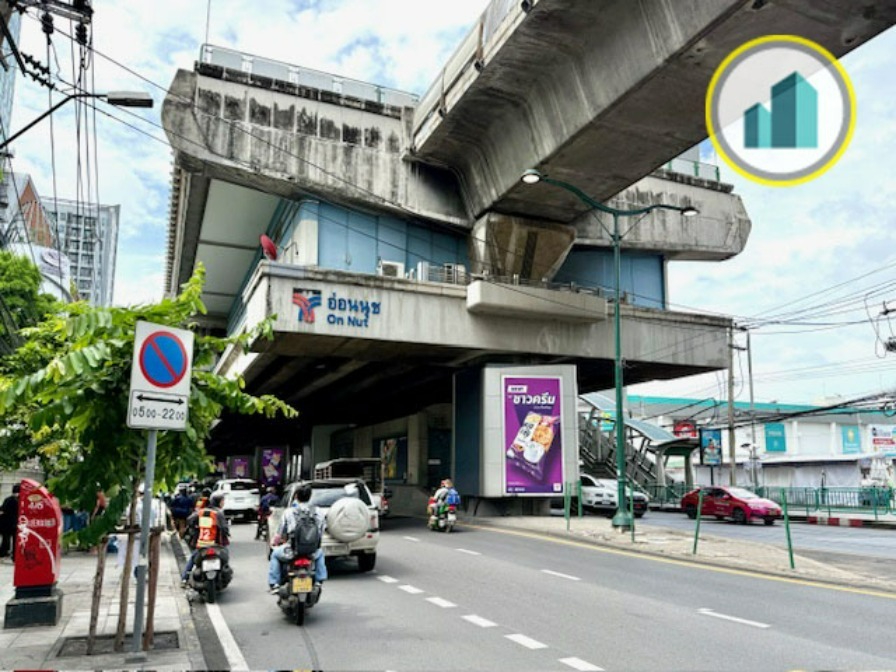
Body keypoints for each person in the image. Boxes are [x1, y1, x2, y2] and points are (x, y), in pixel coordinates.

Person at [267, 483, 327, 593]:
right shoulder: (319, 512)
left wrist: (274, 543)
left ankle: (274, 584)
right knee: (320, 554)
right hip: (312, 551)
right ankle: (319, 580)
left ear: (296, 496)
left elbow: (280, 533)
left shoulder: (289, 512)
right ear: (310, 496)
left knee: (275, 555)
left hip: (292, 551)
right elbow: (321, 530)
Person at [181, 491, 230, 586]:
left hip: (201, 544)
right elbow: (224, 529)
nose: (223, 503)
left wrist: (196, 527)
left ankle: (184, 578)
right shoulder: (218, 513)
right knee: (225, 558)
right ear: (218, 502)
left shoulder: (201, 512)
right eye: (222, 501)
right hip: (216, 544)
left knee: (192, 559)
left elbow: (190, 520)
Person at [0, 484, 20, 561]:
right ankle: (14, 555)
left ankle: (4, 553)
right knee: (14, 540)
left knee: (6, 540)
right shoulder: (20, 500)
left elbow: (2, 511)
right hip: (14, 523)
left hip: (7, 523)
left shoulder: (8, 499)